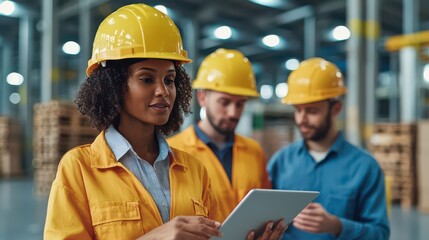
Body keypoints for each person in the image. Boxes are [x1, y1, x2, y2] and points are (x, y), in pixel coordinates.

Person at [44, 4, 284, 240]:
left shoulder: (194, 169)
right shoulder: (79, 169)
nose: (163, 91)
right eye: (147, 79)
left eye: (169, 80)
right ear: (113, 86)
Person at [267, 57, 390, 239]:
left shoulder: (365, 167)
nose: (302, 119)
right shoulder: (281, 162)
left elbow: (380, 234)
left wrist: (337, 226)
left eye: (312, 111)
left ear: (336, 109)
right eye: (298, 110)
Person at [168, 49, 279, 227]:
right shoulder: (173, 152)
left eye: (240, 104)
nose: (233, 113)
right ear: (203, 98)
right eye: (224, 102)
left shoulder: (254, 151)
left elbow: (266, 211)